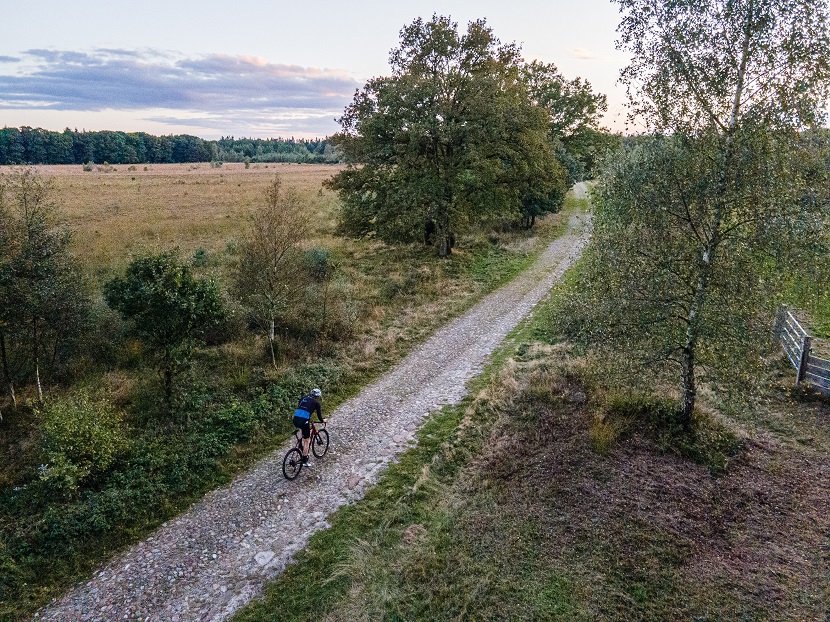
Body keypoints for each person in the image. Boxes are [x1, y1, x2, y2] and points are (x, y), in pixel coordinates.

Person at [293, 388, 326, 463]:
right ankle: (304, 459)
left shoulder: (303, 398)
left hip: (296, 418)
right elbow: (319, 417)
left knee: (301, 429)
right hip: (304, 420)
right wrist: (323, 420)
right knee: (307, 440)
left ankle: (300, 444)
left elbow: (302, 409)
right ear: (318, 396)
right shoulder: (316, 403)